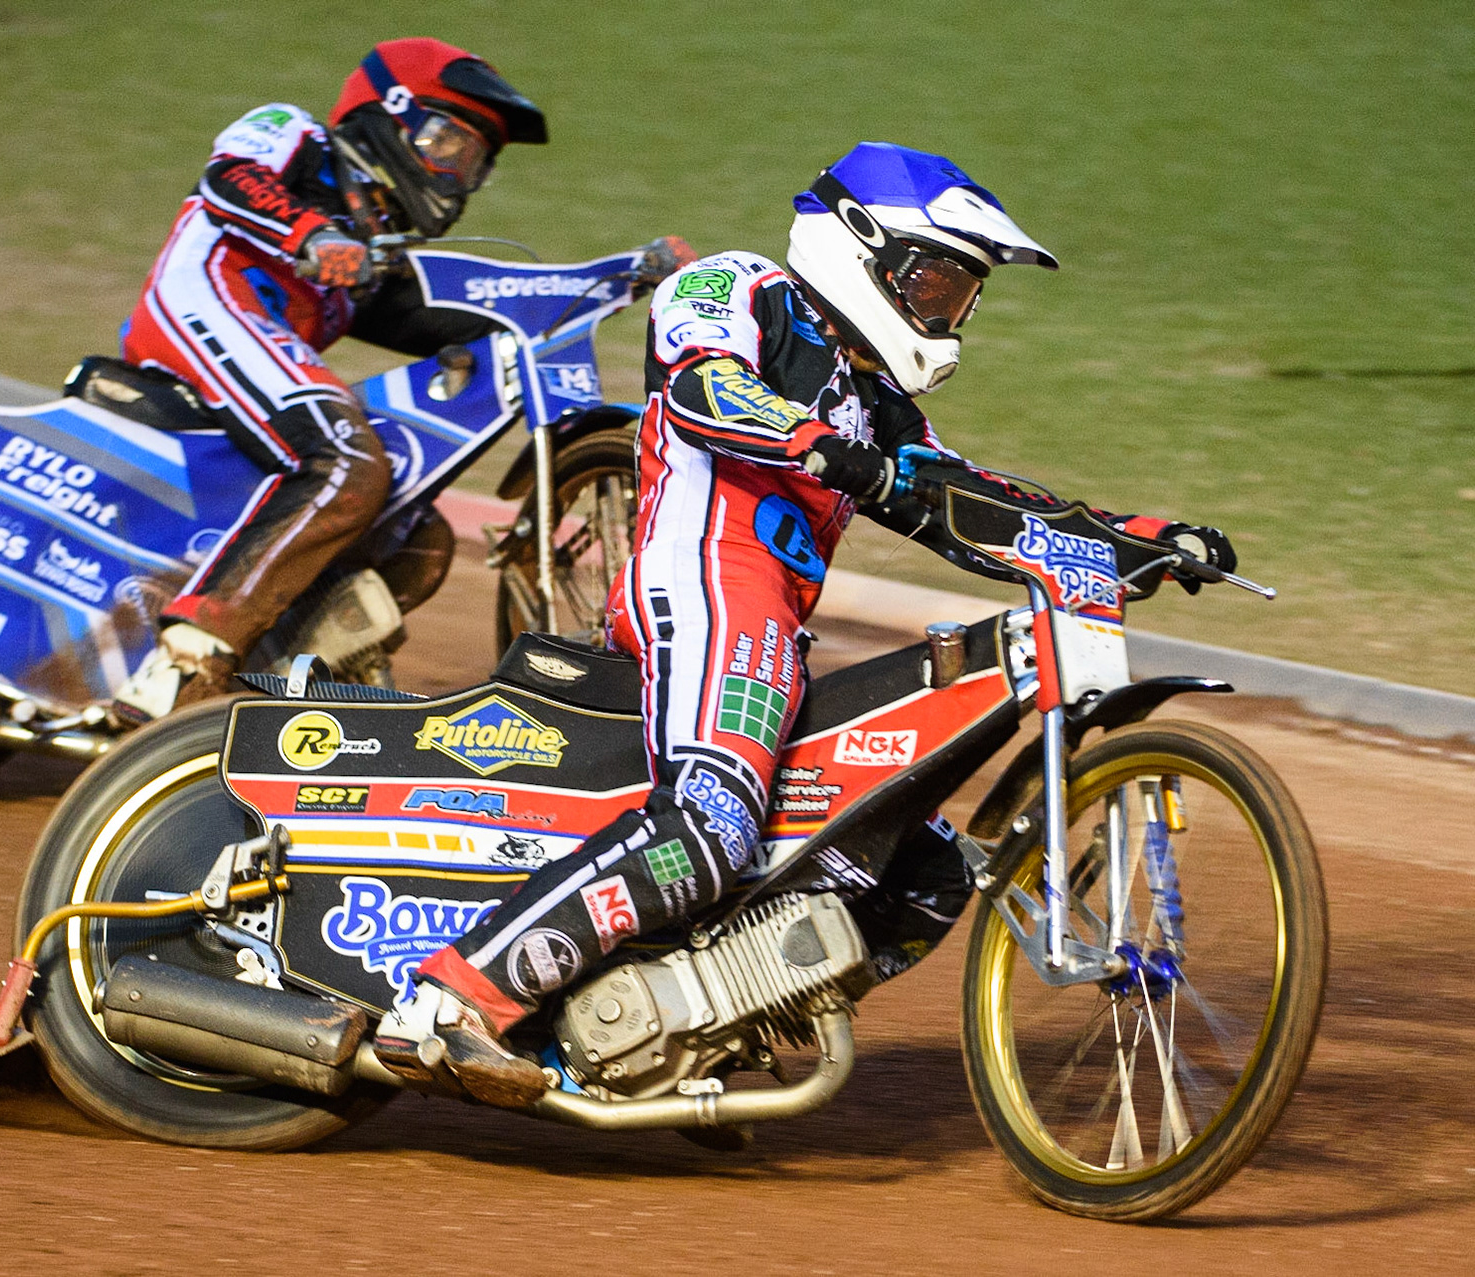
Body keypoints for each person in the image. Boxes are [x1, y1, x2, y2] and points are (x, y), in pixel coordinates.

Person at [374, 142, 1238, 1107]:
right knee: (712, 823)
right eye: (936, 280)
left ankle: (678, 1039)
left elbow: (963, 500)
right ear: (859, 243)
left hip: (773, 625)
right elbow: (702, 387)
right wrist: (818, 445)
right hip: (704, 581)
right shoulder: (741, 287)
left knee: (919, 870)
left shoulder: (880, 404)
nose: (948, 312)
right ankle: (451, 1000)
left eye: (963, 294)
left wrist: (1127, 540)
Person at [110, 39, 550, 722]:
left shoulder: (373, 248)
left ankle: (273, 674)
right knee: (348, 458)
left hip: (257, 343)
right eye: (448, 143)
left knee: (417, 535)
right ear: (391, 116)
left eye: (475, 163)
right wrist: (310, 234)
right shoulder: (294, 132)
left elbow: (459, 314)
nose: (458, 174)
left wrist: (613, 278)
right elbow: (228, 178)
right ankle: (188, 658)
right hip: (203, 300)